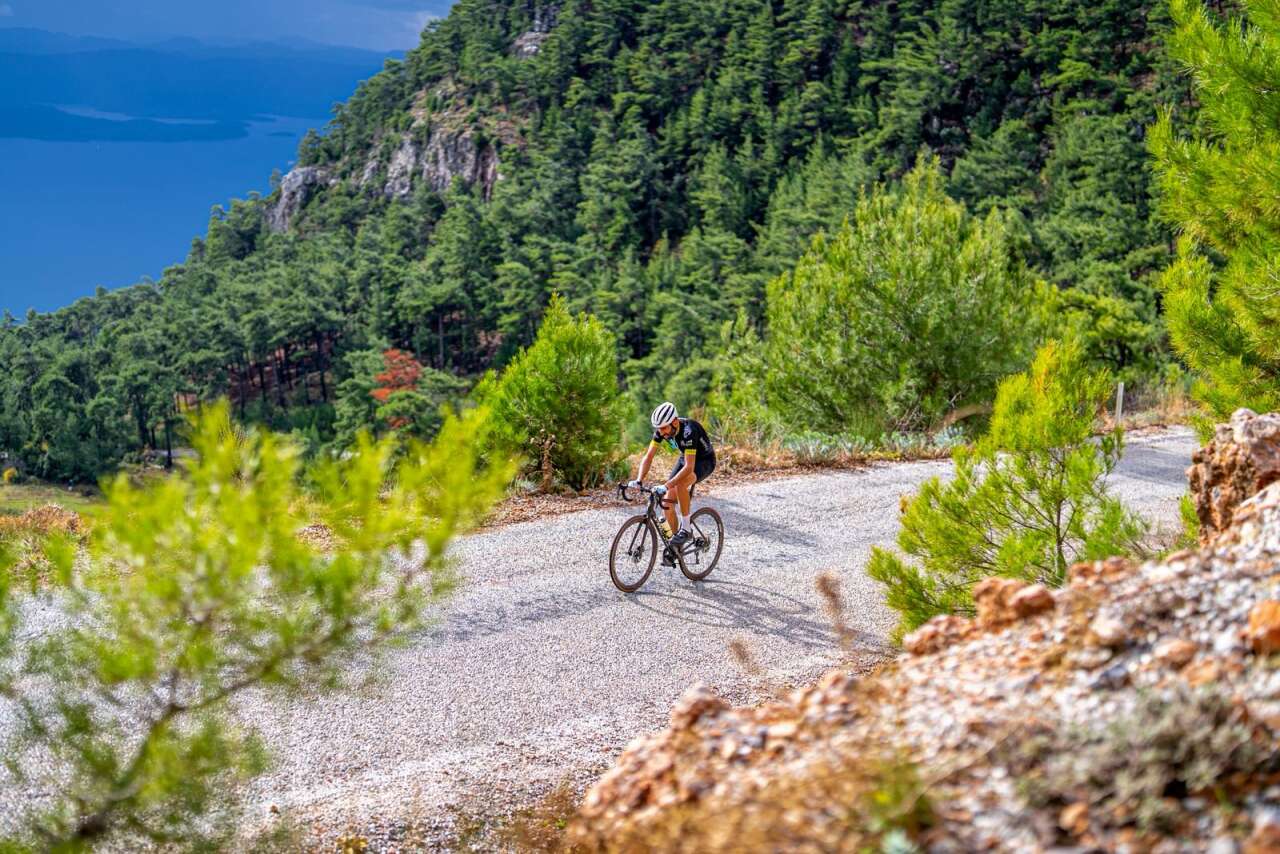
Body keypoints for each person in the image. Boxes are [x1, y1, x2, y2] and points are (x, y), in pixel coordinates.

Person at [629, 402, 716, 564]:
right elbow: (648, 456)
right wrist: (639, 479)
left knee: (680, 485)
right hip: (686, 457)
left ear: (675, 422)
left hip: (704, 461)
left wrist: (666, 485)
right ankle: (676, 546)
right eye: (658, 428)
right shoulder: (662, 431)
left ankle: (686, 529)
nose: (661, 432)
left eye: (664, 428)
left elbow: (689, 468)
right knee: (667, 503)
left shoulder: (689, 430)